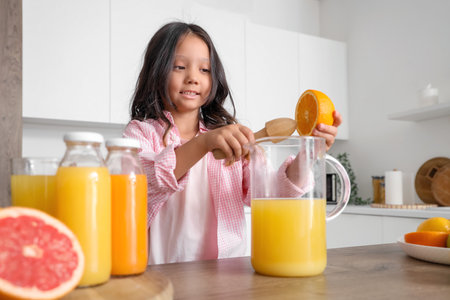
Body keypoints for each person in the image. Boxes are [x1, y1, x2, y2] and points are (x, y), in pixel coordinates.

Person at [123, 21, 342, 264]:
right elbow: (144, 182)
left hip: (227, 274)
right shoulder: (140, 134)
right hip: (165, 276)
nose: (193, 78)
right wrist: (204, 143)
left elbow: (273, 193)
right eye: (180, 66)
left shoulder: (232, 139)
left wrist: (308, 154)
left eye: (205, 70)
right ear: (156, 72)